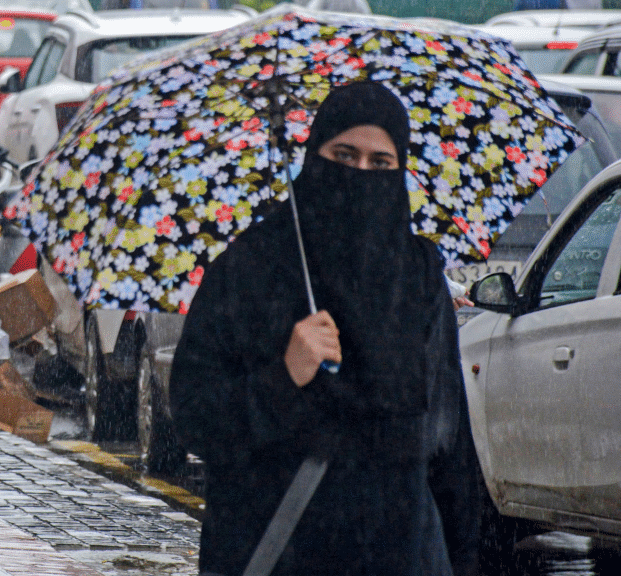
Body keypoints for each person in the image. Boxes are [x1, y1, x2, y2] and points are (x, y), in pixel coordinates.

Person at [168, 82, 484, 576]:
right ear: (313, 156)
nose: (359, 174)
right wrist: (284, 375)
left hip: (398, 554)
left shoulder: (418, 274)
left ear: (399, 170)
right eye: (343, 154)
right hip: (276, 548)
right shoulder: (251, 266)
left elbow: (448, 445)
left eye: (380, 163)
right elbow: (195, 418)